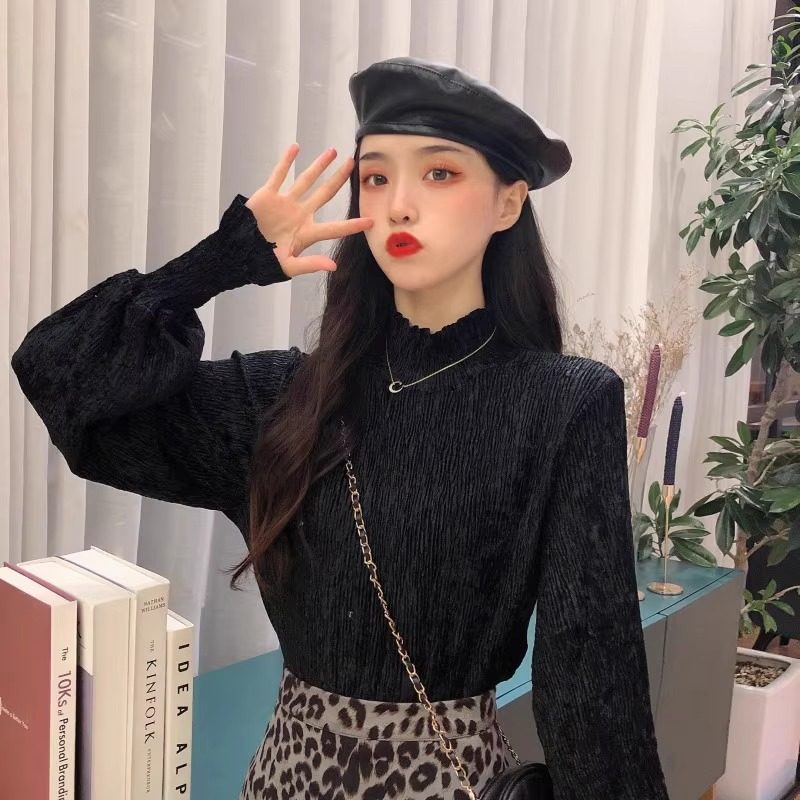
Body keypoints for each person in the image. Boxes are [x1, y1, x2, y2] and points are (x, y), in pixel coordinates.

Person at [11, 56, 670, 799]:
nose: (398, 206)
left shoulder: (562, 404)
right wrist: (221, 261)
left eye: (440, 173)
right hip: (286, 781)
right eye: (377, 177)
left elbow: (590, 672)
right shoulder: (283, 401)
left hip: (450, 783)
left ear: (508, 202)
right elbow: (57, 378)